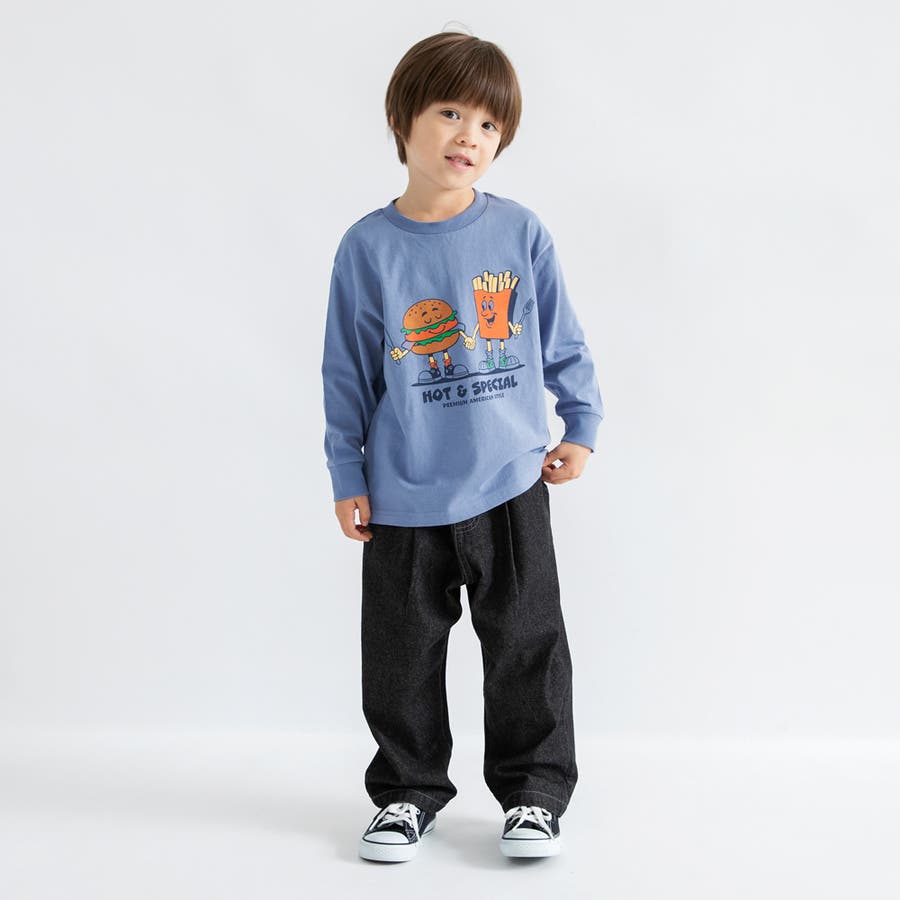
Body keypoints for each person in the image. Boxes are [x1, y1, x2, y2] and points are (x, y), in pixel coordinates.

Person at [321, 30, 604, 863]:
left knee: (527, 643)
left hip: (511, 479)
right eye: (450, 113)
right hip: (404, 491)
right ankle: (407, 793)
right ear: (403, 117)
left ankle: (535, 794)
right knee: (400, 656)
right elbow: (346, 372)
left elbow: (562, 337)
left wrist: (581, 422)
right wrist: (346, 471)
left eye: (488, 124)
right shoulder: (368, 248)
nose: (469, 137)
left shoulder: (519, 231)